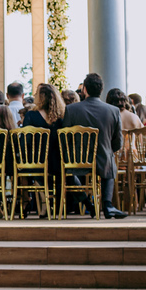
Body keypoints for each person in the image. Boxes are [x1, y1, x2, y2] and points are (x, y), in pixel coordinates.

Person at [60, 73, 126, 219]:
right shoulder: (113, 111)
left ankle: (87, 203)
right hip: (103, 160)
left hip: (78, 160)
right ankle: (107, 204)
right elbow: (118, 142)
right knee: (110, 162)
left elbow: (65, 138)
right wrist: (108, 151)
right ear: (101, 90)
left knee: (67, 171)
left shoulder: (71, 109)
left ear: (84, 89)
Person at [22, 84, 66, 216]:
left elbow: (26, 140)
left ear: (40, 97)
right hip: (57, 161)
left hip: (37, 160)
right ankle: (59, 206)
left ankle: (42, 204)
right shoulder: (61, 116)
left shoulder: (31, 115)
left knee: (31, 164)